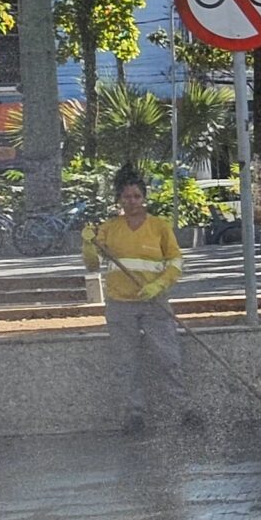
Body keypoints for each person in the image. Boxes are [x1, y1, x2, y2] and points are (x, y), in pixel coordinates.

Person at [83, 166, 188, 434]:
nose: (132, 202)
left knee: (168, 358)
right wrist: (88, 244)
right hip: (120, 305)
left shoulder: (159, 227)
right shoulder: (109, 229)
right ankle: (134, 415)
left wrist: (159, 285)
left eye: (136, 196)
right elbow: (93, 263)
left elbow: (175, 261)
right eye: (126, 197)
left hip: (154, 301)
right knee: (126, 362)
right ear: (119, 199)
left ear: (144, 198)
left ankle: (181, 410)